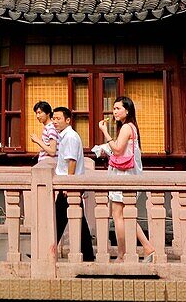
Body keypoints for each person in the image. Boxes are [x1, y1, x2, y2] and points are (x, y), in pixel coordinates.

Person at [95, 96, 155, 262]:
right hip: (127, 174)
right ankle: (147, 248)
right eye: (113, 108)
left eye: (118, 108)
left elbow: (118, 149)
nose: (114, 112)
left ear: (127, 110)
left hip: (123, 176)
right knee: (125, 215)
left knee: (119, 215)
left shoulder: (127, 128)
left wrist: (105, 132)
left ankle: (123, 255)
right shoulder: (132, 128)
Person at [52, 106, 95, 261]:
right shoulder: (65, 136)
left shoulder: (70, 137)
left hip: (68, 185)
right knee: (73, 219)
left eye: (58, 118)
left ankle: (47, 251)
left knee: (59, 219)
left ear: (68, 120)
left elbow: (72, 161)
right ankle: (88, 254)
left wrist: (68, 183)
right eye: (54, 118)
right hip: (68, 184)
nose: (55, 122)